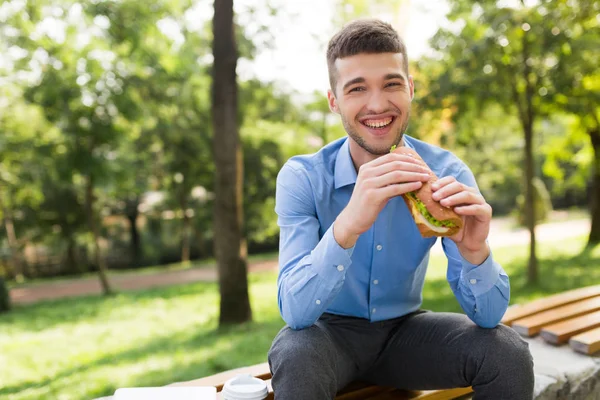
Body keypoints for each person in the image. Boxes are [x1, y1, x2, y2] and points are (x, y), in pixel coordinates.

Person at [268, 18, 534, 400]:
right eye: (357, 88)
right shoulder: (303, 178)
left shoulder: (447, 173)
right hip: (328, 337)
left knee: (507, 352)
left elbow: (489, 318)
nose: (377, 104)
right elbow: (295, 313)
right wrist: (348, 225)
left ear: (410, 89)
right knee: (295, 352)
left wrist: (475, 252)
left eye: (391, 84)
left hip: (406, 335)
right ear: (334, 101)